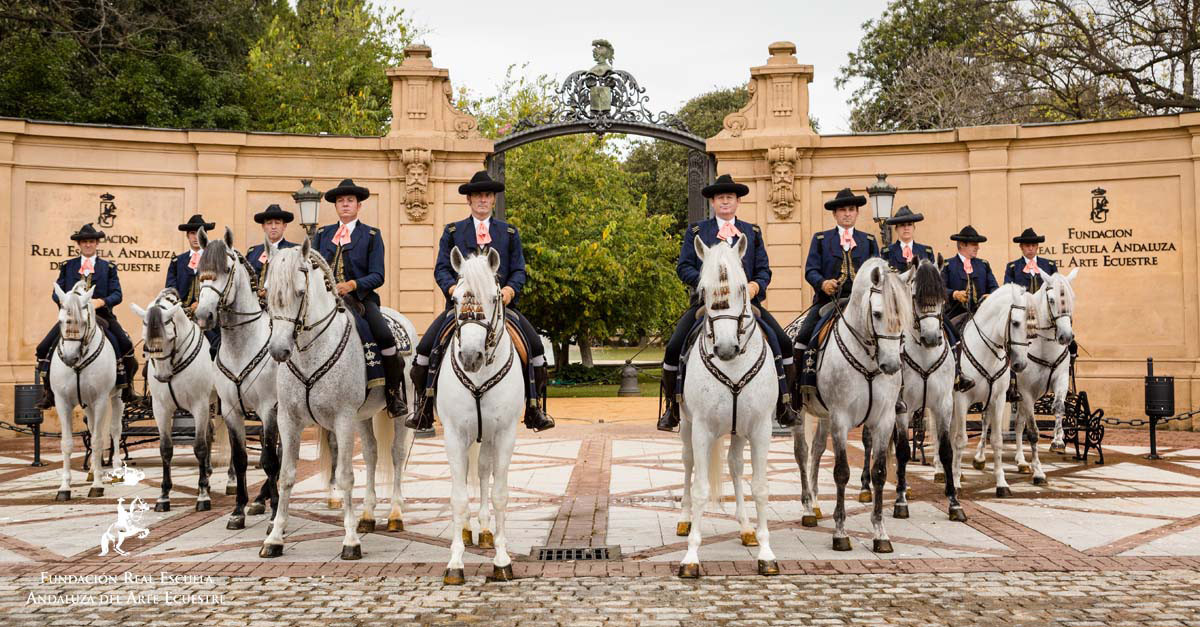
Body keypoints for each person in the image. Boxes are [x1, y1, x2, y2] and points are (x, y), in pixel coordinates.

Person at [406, 171, 554, 432]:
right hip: (462, 308)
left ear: (493, 200)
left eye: (487, 195)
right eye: (478, 195)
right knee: (424, 351)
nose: (483, 200)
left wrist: (509, 291)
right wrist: (453, 290)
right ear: (470, 200)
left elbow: (519, 269)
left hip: (500, 308)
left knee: (536, 350)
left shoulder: (508, 232)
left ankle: (534, 408)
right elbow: (442, 268)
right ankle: (424, 409)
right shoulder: (453, 231)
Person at [657, 174, 798, 432]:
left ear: (737, 202)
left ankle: (785, 404)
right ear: (713, 202)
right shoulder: (697, 231)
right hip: (708, 305)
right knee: (674, 346)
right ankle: (672, 407)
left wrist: (757, 285)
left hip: (745, 305)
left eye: (729, 197)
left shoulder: (752, 232)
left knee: (783, 342)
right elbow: (683, 267)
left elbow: (764, 269)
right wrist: (707, 283)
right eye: (720, 197)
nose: (725, 201)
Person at [311, 179, 406, 418]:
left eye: (350, 201)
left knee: (384, 336)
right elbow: (311, 267)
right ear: (335, 206)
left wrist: (353, 285)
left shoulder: (372, 235)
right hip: (325, 301)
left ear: (358, 206)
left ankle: (393, 394)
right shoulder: (322, 235)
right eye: (341, 201)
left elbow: (378, 275)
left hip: (361, 301)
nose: (345, 205)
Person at [36, 223, 137, 407]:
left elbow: (117, 294)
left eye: (91, 241)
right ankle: (49, 393)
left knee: (125, 344)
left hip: (102, 316)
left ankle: (127, 387)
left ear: (97, 243)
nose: (88, 245)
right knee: (43, 348)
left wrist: (100, 302)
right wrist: (67, 302)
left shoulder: (109, 267)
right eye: (84, 242)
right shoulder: (68, 266)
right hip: (73, 317)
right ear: (79, 244)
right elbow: (55, 293)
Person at [794, 188, 880, 392]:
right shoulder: (821, 239)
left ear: (857, 213)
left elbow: (878, 272)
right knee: (805, 335)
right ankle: (800, 385)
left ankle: (895, 388)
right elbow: (811, 270)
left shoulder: (868, 241)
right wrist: (823, 283)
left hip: (862, 303)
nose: (847, 213)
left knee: (888, 335)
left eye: (851, 209)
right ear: (835, 214)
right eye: (842, 210)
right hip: (828, 302)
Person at [942, 225, 999, 392]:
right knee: (951, 338)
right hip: (957, 314)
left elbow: (995, 287)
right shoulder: (948, 265)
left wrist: (991, 295)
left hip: (982, 315)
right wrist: (954, 294)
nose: (978, 247)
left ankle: (1008, 381)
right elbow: (939, 289)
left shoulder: (983, 265)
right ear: (962, 245)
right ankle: (957, 374)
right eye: (974, 244)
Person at [166, 214, 221, 356]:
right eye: (192, 233)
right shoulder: (177, 261)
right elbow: (170, 290)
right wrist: (184, 308)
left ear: (205, 235)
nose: (196, 237)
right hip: (181, 313)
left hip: (208, 314)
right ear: (187, 236)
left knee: (218, 340)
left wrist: (202, 304)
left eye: (199, 233)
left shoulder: (215, 260)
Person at [246, 204, 298, 284]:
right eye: (269, 223)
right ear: (263, 227)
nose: (273, 227)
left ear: (284, 226)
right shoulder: (253, 252)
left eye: (277, 223)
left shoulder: (294, 250)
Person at [880, 206, 934, 271]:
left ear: (914, 227)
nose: (906, 228)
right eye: (902, 225)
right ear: (896, 229)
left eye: (909, 224)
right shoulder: (887, 252)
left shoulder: (926, 252)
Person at [1004, 228, 1056, 293]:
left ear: (1037, 246)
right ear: (1021, 247)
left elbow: (1056, 288)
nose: (1031, 248)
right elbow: (1007, 290)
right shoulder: (1013, 267)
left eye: (1033, 245)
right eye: (1027, 246)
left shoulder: (1049, 265)